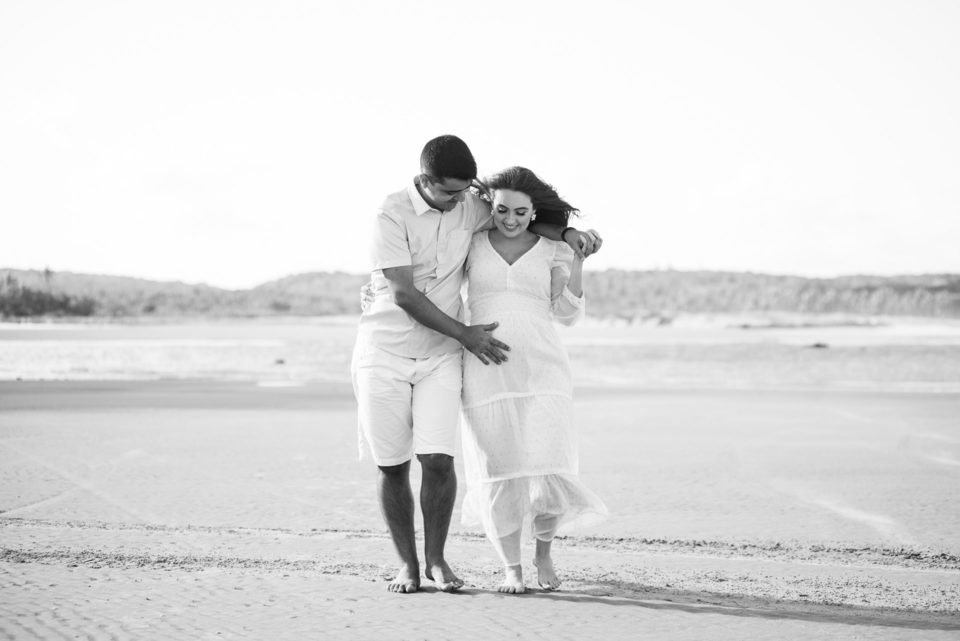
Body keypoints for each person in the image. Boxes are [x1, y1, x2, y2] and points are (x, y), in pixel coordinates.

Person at [351, 136, 602, 594]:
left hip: (457, 358)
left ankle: (440, 560)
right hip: (401, 351)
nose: (462, 201)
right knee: (401, 465)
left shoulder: (470, 206)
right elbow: (403, 292)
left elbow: (529, 217)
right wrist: (463, 332)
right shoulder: (393, 213)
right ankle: (416, 565)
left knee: (445, 460)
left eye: (466, 191)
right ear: (425, 182)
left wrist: (567, 235)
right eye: (450, 192)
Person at [459, 166, 608, 594]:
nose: (510, 219)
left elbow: (567, 314)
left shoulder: (551, 248)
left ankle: (543, 553)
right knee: (500, 468)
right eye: (502, 209)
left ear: (533, 211)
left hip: (544, 367)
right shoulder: (471, 241)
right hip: (487, 369)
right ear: (491, 206)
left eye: (521, 212)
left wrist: (577, 257)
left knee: (548, 462)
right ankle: (511, 567)